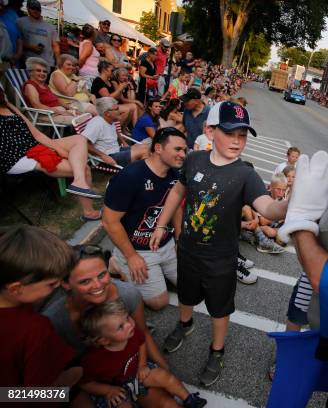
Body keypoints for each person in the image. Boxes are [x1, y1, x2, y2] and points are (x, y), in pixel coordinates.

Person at [148, 101, 288, 386]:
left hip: (221, 258)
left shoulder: (245, 174)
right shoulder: (194, 159)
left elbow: (268, 208)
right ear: (211, 132)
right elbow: (177, 191)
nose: (237, 141)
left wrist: (290, 203)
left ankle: (217, 350)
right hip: (187, 248)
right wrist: (161, 225)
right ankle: (185, 324)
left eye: (243, 135)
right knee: (186, 294)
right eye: (230, 133)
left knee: (219, 308)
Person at [42, 244, 178, 407]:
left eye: (102, 275)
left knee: (167, 404)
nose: (98, 285)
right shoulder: (53, 322)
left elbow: (143, 333)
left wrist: (165, 369)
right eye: (85, 281)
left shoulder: (127, 294)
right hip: (88, 382)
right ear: (65, 284)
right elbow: (51, 380)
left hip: (129, 367)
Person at [102, 127, 186, 310]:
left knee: (192, 287)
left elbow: (176, 208)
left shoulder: (175, 174)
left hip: (166, 243)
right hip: (138, 250)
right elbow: (109, 222)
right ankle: (117, 263)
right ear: (158, 148)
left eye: (184, 150)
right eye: (178, 149)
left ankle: (155, 271)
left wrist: (179, 239)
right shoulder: (129, 176)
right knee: (159, 303)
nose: (183, 155)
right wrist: (131, 256)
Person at [79, 301, 207, 408]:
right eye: (120, 326)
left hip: (137, 373)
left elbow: (142, 344)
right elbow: (85, 383)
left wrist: (142, 364)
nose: (130, 324)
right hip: (114, 388)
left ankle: (189, 399)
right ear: (104, 340)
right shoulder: (95, 360)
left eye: (127, 317)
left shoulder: (133, 333)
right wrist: (108, 390)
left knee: (165, 380)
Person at [0, 225, 82, 387]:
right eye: (52, 284)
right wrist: (75, 377)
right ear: (16, 288)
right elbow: (39, 396)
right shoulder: (34, 329)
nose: (60, 285)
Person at [1, 88, 102, 218]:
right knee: (84, 168)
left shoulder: (9, 106)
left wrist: (59, 150)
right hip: (15, 157)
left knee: (80, 139)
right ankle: (88, 211)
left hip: (32, 144)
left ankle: (78, 181)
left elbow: (36, 134)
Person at [82, 97, 149, 168]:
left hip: (116, 150)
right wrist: (103, 156)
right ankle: (143, 173)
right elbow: (84, 143)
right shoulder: (97, 123)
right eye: (116, 109)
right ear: (107, 113)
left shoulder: (110, 120)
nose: (119, 111)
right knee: (143, 152)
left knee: (145, 147)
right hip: (108, 158)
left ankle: (141, 170)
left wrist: (123, 142)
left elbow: (115, 130)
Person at [22, 56, 77, 124]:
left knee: (83, 116)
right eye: (38, 70)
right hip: (45, 115)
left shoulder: (44, 85)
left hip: (56, 113)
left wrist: (70, 107)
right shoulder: (30, 86)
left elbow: (56, 99)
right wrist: (61, 112)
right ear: (31, 72)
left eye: (45, 71)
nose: (42, 73)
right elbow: (37, 105)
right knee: (78, 120)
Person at [91, 60, 136, 128]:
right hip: (102, 106)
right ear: (104, 70)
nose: (114, 72)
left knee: (133, 106)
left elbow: (117, 97)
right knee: (127, 109)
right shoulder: (98, 81)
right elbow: (107, 98)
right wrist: (120, 89)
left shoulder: (109, 81)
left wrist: (125, 89)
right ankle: (114, 130)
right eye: (112, 70)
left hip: (112, 105)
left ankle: (123, 129)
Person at [17, 0, 59, 68]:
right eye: (33, 8)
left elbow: (55, 46)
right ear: (27, 8)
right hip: (29, 63)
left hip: (47, 63)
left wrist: (58, 62)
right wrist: (30, 47)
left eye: (38, 9)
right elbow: (16, 41)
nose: (35, 11)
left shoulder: (50, 27)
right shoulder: (20, 22)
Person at [0, 0, 23, 67]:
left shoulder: (12, 14)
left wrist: (17, 56)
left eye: (2, 5)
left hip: (10, 63)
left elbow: (19, 38)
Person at [78, 23, 100, 91]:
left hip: (89, 74)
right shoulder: (88, 44)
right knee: (88, 95)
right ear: (93, 34)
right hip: (88, 75)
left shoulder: (86, 43)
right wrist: (78, 69)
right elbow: (82, 58)